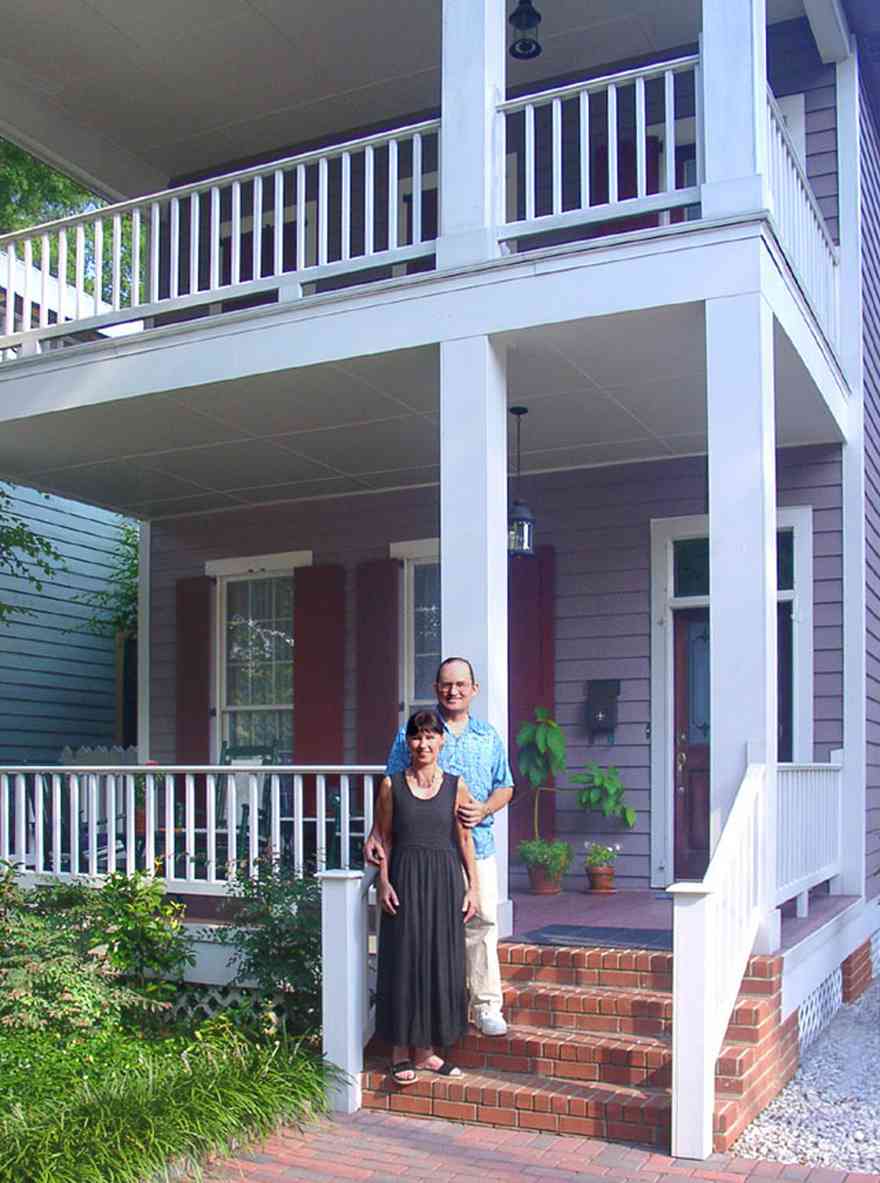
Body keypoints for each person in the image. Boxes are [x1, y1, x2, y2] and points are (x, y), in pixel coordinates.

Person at [365, 657, 514, 1037]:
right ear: (436, 689)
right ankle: (434, 1013)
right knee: (429, 931)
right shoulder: (416, 731)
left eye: (462, 684)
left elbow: (506, 786)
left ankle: (485, 1006)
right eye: (447, 684)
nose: (454, 690)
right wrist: (375, 834)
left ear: (474, 690)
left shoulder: (488, 737)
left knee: (480, 922)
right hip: (425, 849)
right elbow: (391, 786)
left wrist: (485, 808)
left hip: (474, 844)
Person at [373, 709, 479, 1085]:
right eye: (417, 737)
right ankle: (400, 1052)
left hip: (445, 881)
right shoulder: (391, 786)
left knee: (437, 960)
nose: (424, 744)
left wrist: (474, 888)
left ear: (441, 741)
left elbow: (465, 840)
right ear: (409, 742)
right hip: (404, 878)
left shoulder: (456, 785)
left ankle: (428, 1053)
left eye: (431, 737)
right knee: (404, 960)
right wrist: (383, 882)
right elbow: (383, 838)